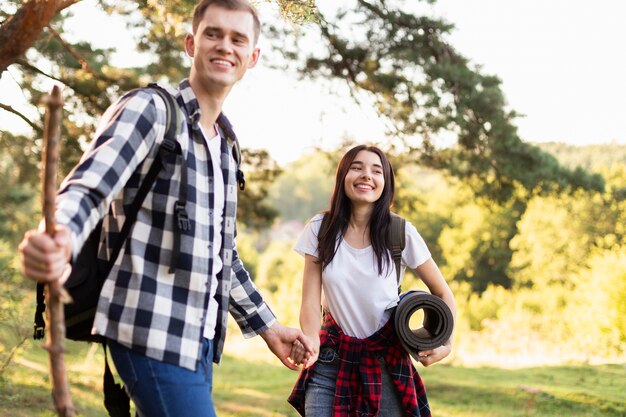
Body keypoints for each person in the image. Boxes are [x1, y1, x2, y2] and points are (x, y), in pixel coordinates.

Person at [19, 1, 312, 416]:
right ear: (192, 43)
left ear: (253, 56)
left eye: (237, 39)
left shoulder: (227, 145)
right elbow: (88, 187)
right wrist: (58, 238)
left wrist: (268, 327)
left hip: (200, 340)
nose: (224, 46)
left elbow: (220, 254)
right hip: (146, 330)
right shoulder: (151, 110)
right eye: (213, 34)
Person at [287, 145, 456, 417]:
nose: (366, 175)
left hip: (386, 363)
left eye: (376, 171)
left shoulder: (401, 232)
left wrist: (446, 342)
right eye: (357, 167)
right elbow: (309, 301)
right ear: (343, 176)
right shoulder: (320, 229)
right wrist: (310, 342)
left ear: (385, 183)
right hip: (330, 362)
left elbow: (442, 292)